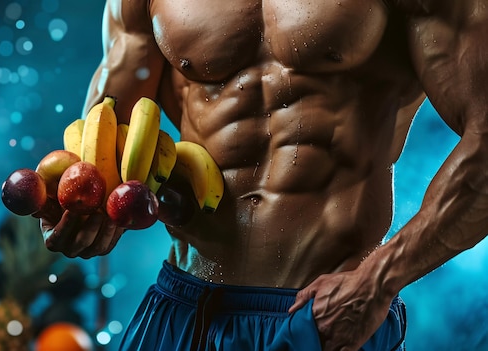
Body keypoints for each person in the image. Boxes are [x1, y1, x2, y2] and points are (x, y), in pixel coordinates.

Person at [39, 0, 488, 350]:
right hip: (183, 308)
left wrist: (379, 281)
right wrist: (79, 209)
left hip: (325, 317)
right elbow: (105, 141)